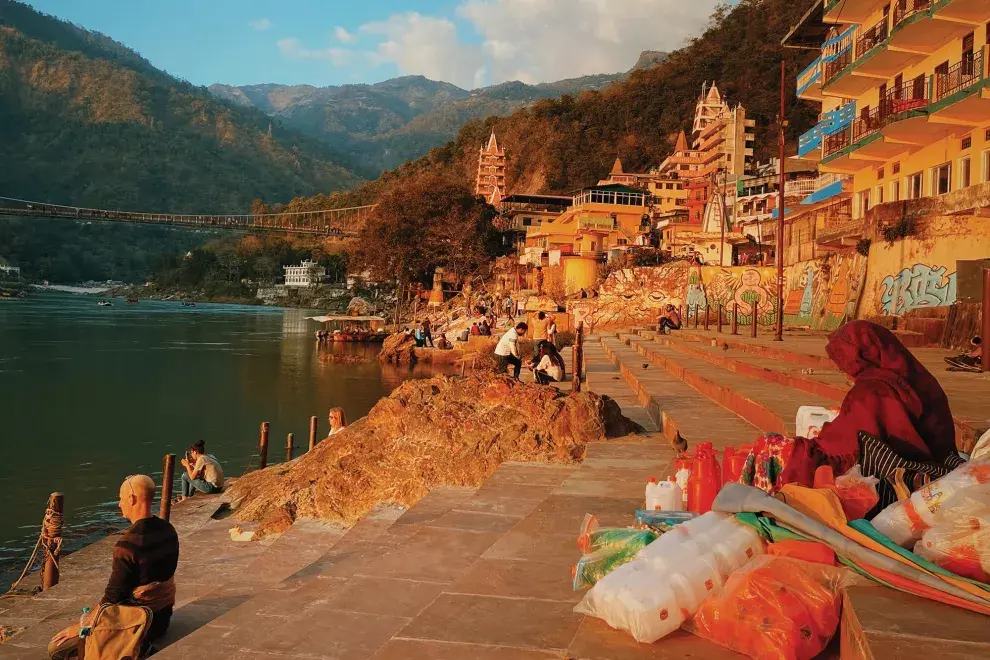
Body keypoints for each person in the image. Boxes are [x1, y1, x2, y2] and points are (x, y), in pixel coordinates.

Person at [779, 321, 959, 494]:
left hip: (906, 477)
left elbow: (844, 448)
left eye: (844, 362)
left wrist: (794, 449)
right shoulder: (918, 378)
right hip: (937, 465)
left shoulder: (873, 391)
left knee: (787, 456)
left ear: (860, 357)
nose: (843, 370)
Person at [48, 475, 179, 659]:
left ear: (131, 498)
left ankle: (137, 647)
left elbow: (113, 597)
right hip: (162, 619)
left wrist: (81, 626)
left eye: (120, 498)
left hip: (137, 625)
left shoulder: (128, 545)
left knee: (56, 648)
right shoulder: (168, 530)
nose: (119, 504)